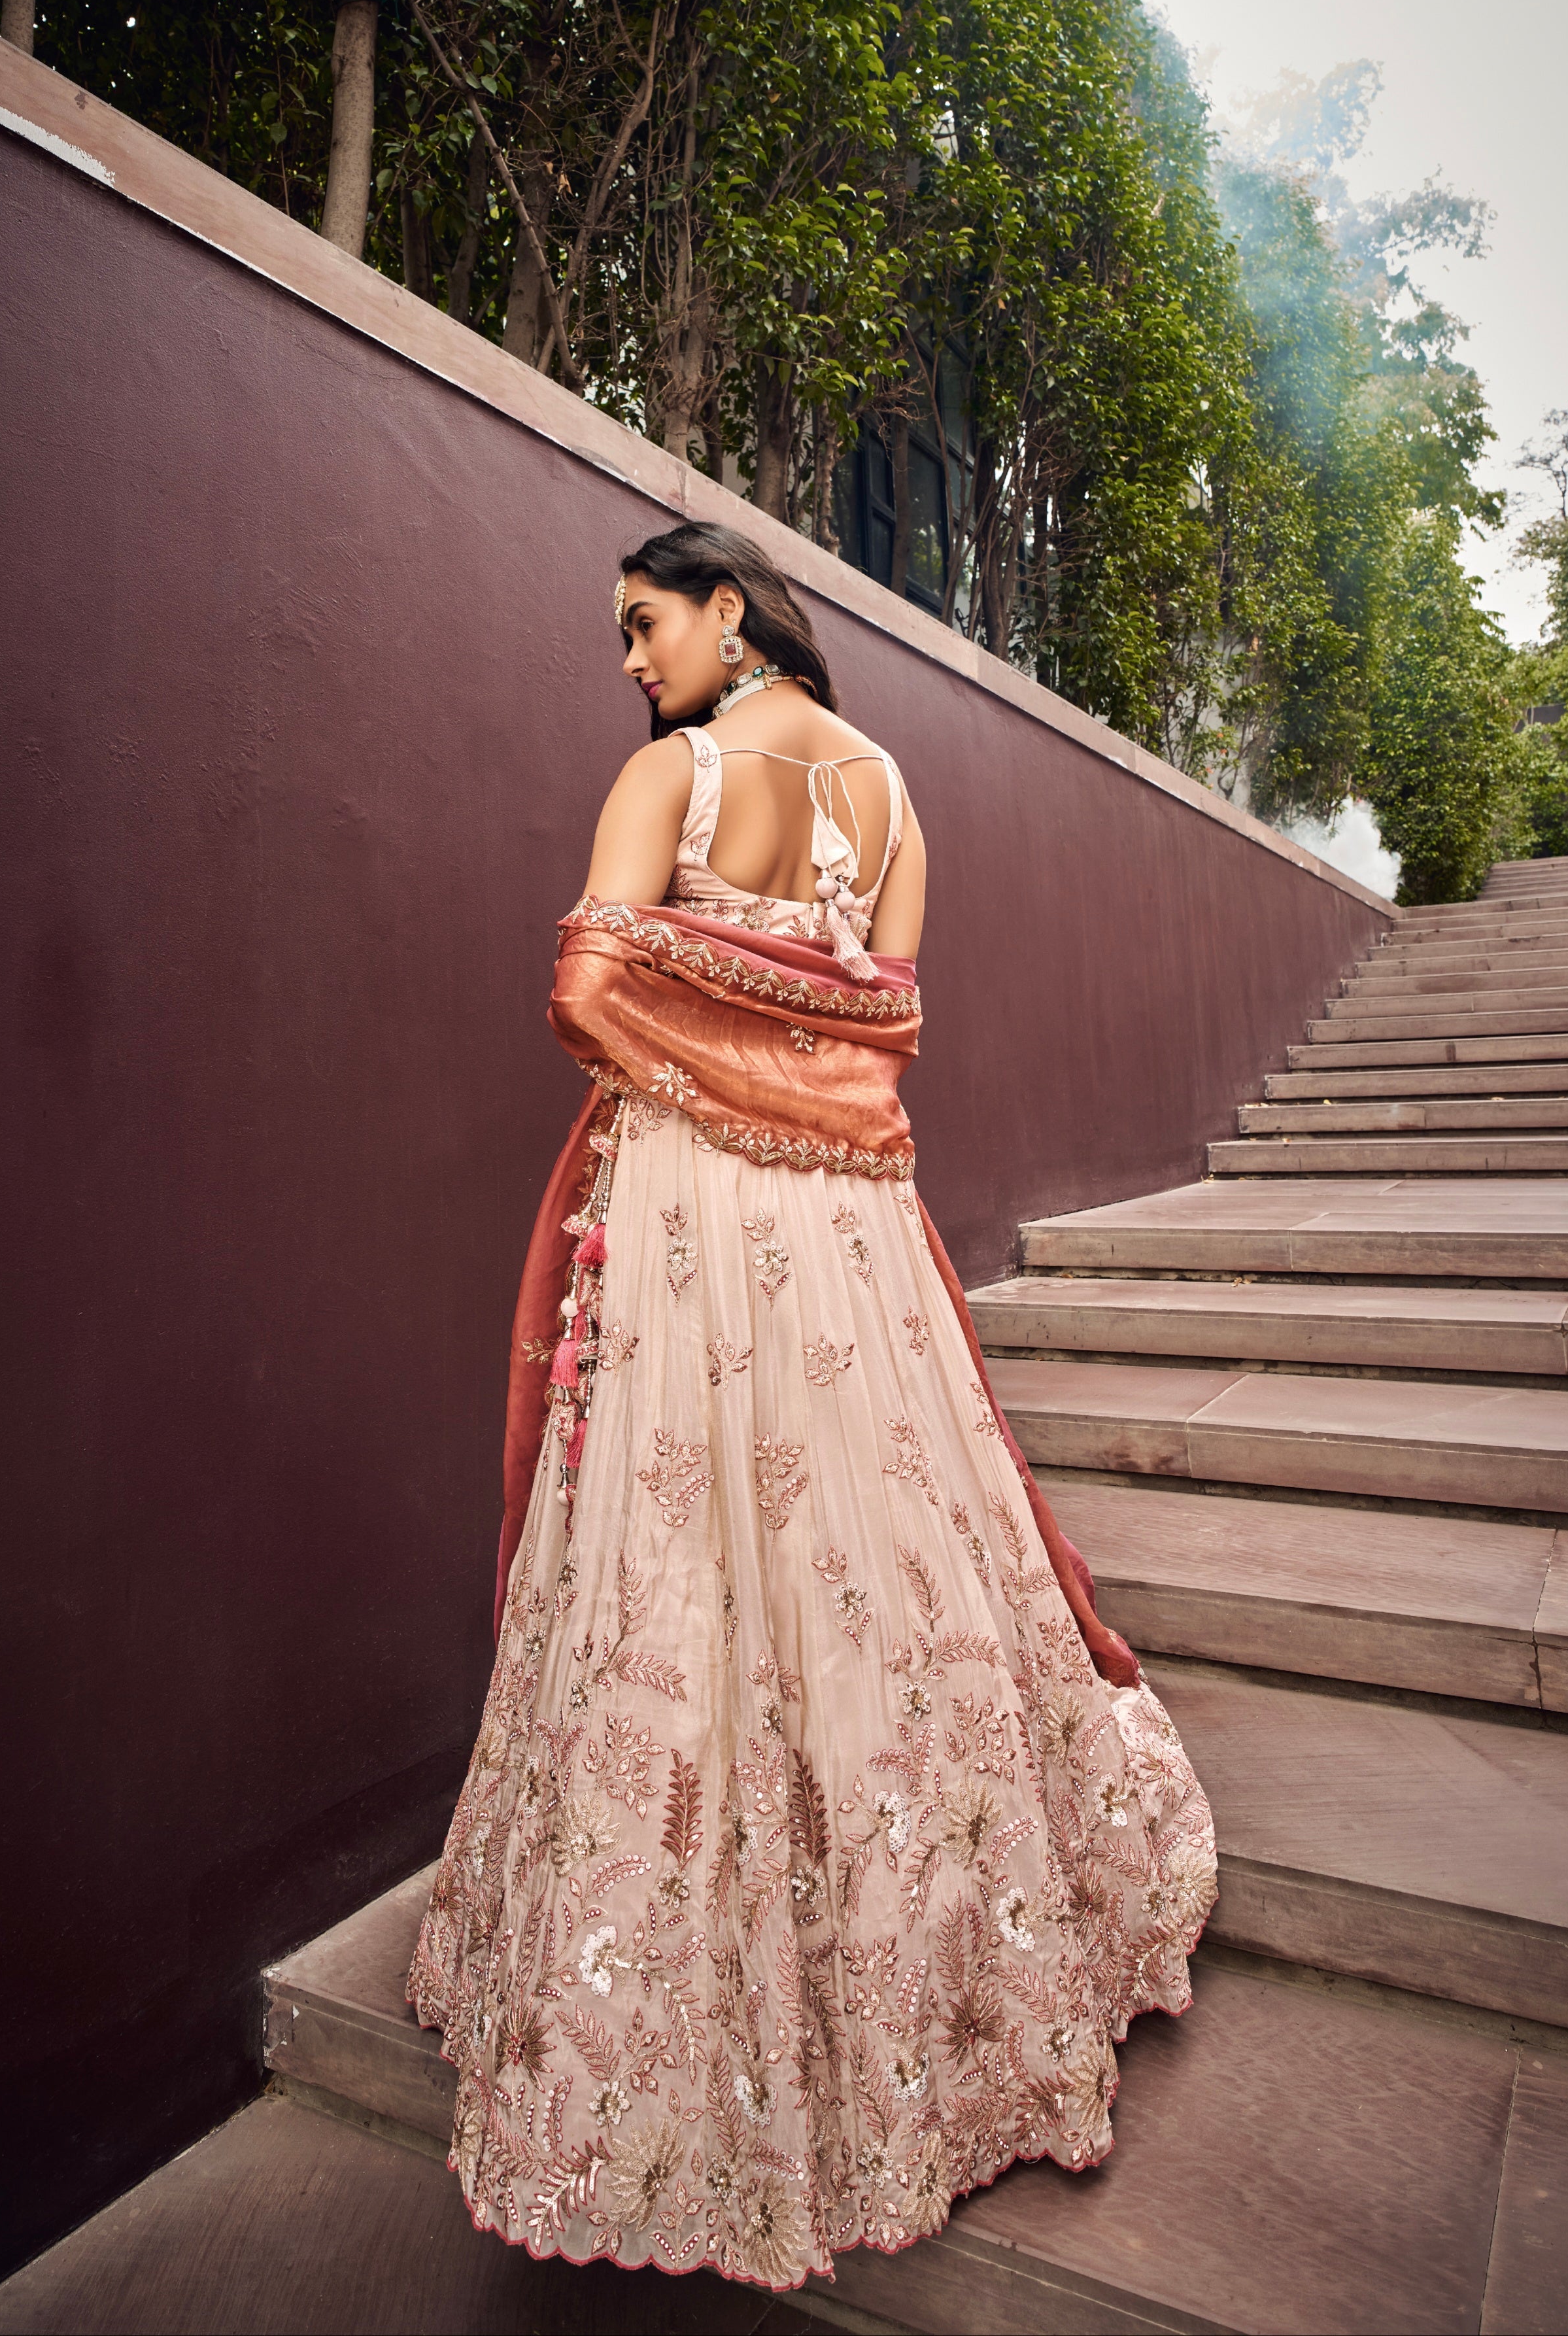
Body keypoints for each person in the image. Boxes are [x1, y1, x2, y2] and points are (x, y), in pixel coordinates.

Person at [407, 519, 1215, 2289]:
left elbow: (588, 993)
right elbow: (886, 1023)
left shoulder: (679, 783)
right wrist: (804, 1076)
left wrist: (723, 1069)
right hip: (853, 1212)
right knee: (885, 1557)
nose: (632, 659)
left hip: (702, 1206)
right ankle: (952, 1987)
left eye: (646, 621)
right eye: (620, 633)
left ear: (730, 609)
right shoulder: (890, 795)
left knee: (695, 1563)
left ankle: (705, 2047)